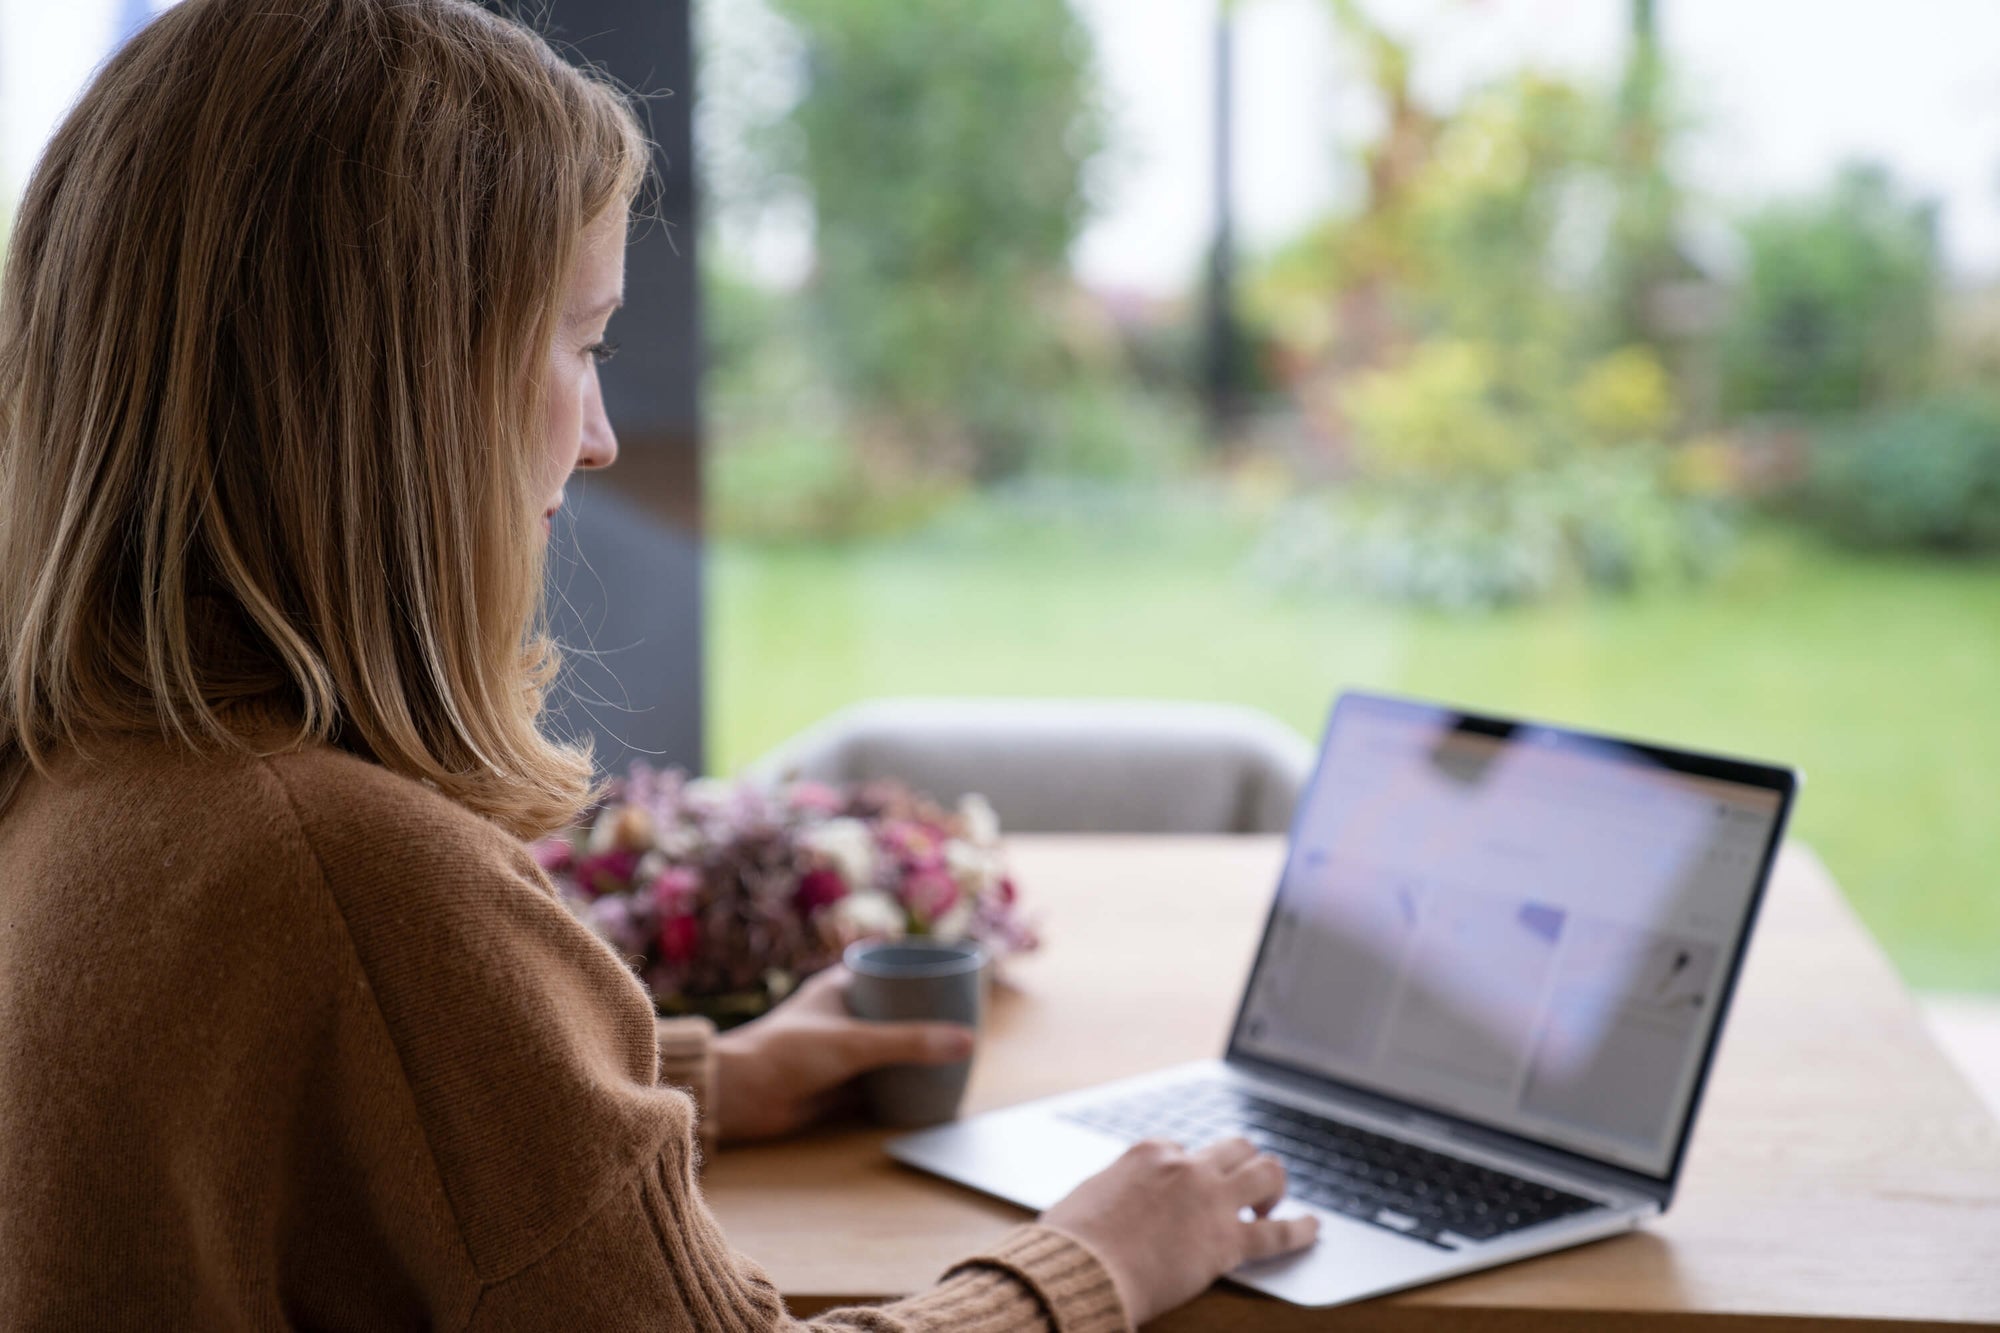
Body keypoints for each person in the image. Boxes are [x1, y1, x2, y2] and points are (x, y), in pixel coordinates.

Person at [0, 1, 1319, 1328]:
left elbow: (361, 1140)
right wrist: (1096, 1257)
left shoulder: (83, 783)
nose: (602, 437)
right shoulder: (347, 874)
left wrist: (702, 1079)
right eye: (582, 343)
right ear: (403, 402)